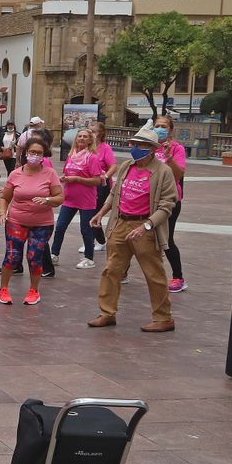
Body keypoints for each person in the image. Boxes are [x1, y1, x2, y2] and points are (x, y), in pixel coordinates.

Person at [88, 125, 177, 332]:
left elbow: (167, 205)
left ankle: (163, 318)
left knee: (154, 274)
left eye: (140, 145)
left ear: (152, 149)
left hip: (144, 226)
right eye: (133, 144)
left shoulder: (163, 172)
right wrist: (101, 213)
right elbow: (115, 193)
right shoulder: (127, 166)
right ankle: (107, 313)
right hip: (120, 223)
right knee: (111, 270)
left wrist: (147, 226)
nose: (134, 148)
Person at [0, 138, 64, 306]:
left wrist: (48, 199)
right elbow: (5, 197)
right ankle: (3, 289)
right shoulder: (15, 174)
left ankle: (34, 290)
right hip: (16, 221)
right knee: (12, 256)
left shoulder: (50, 173)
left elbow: (59, 197)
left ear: (44, 155)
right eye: (32, 152)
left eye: (39, 153)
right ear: (26, 153)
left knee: (34, 257)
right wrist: (2, 213)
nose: (35, 155)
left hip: (42, 224)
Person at [52, 128, 107, 269]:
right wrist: (64, 178)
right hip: (69, 198)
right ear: (76, 139)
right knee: (60, 227)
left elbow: (97, 181)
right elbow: (67, 173)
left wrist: (77, 179)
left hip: (86, 200)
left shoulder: (92, 158)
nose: (81, 138)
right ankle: (54, 255)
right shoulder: (71, 156)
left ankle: (89, 258)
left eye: (85, 137)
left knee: (86, 230)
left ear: (90, 141)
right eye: (79, 136)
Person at [150, 115, 188, 293]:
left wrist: (168, 158)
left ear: (170, 129)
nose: (160, 128)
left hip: (169, 199)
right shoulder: (149, 146)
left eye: (164, 126)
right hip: (148, 197)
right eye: (157, 125)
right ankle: (123, 272)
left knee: (166, 239)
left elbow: (179, 174)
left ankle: (178, 277)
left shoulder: (176, 148)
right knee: (139, 235)